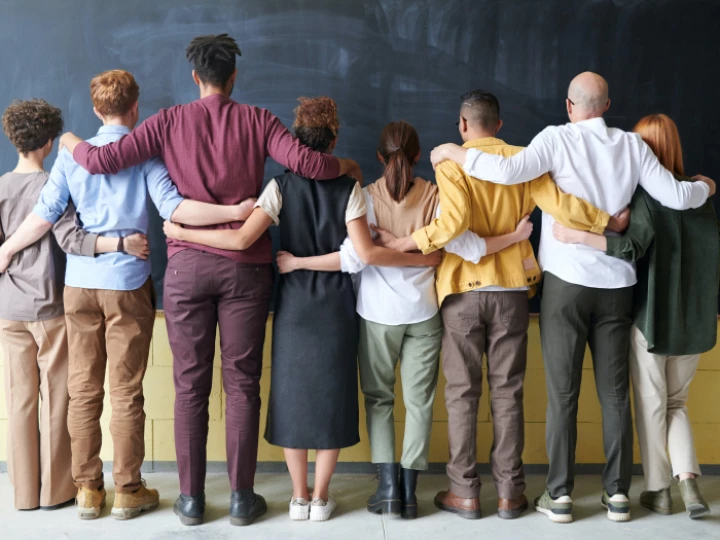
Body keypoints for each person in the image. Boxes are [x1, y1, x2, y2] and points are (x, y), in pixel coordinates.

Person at [58, 35, 363, 527]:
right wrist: (346, 166)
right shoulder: (259, 120)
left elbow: (102, 161)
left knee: (189, 386)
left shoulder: (167, 121)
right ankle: (243, 499)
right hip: (245, 271)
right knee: (242, 385)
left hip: (186, 269)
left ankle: (191, 501)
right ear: (233, 76)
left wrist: (71, 139)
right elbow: (308, 164)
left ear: (195, 78)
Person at [429, 73, 714, 523]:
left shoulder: (554, 140)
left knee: (563, 395)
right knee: (615, 394)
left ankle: (559, 495)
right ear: (606, 105)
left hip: (565, 283)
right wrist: (707, 187)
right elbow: (679, 197)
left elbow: (503, 170)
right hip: (618, 285)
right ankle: (617, 495)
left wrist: (451, 152)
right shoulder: (632, 146)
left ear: (569, 105)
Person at [164, 97, 441, 522]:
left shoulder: (278, 187)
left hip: (293, 304)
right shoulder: (349, 188)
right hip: (335, 305)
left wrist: (183, 232)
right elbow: (360, 252)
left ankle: (297, 496)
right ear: (333, 140)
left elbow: (240, 241)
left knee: (292, 397)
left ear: (295, 141)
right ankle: (321, 496)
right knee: (332, 396)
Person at [2, 70, 257, 520]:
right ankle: (128, 489)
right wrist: (235, 212)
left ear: (97, 108)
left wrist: (5, 249)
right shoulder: (145, 156)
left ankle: (86, 491)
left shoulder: (69, 158)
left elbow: (44, 218)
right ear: (135, 107)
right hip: (127, 284)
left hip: (78, 285)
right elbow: (175, 208)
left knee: (82, 389)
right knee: (125, 390)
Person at [363, 90, 623, 521]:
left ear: (463, 125)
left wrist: (407, 243)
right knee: (508, 393)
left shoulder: (451, 163)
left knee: (461, 394)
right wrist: (604, 221)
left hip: (463, 292)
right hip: (512, 290)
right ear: (499, 125)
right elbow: (559, 205)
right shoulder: (524, 158)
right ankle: (510, 494)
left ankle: (464, 492)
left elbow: (454, 224)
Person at [275, 120, 508, 519]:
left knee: (379, 400)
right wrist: (424, 256)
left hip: (377, 314)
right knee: (420, 403)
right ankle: (409, 491)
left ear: (379, 157)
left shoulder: (363, 196)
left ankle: (386, 490)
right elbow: (463, 244)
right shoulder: (436, 194)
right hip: (424, 312)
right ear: (419, 157)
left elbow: (352, 258)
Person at [552, 113, 715, 519]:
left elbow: (631, 246)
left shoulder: (646, 198)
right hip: (694, 324)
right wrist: (708, 184)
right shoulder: (701, 199)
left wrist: (578, 236)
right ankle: (689, 484)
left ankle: (659, 490)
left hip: (650, 321)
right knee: (677, 403)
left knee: (651, 405)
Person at [0, 99, 147, 511]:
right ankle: (59, 491)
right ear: (48, 142)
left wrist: (7, 252)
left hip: (9, 306)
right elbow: (70, 238)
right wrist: (119, 244)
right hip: (48, 305)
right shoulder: (55, 180)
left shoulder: (1, 186)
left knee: (21, 401)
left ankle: (26, 494)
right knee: (61, 397)